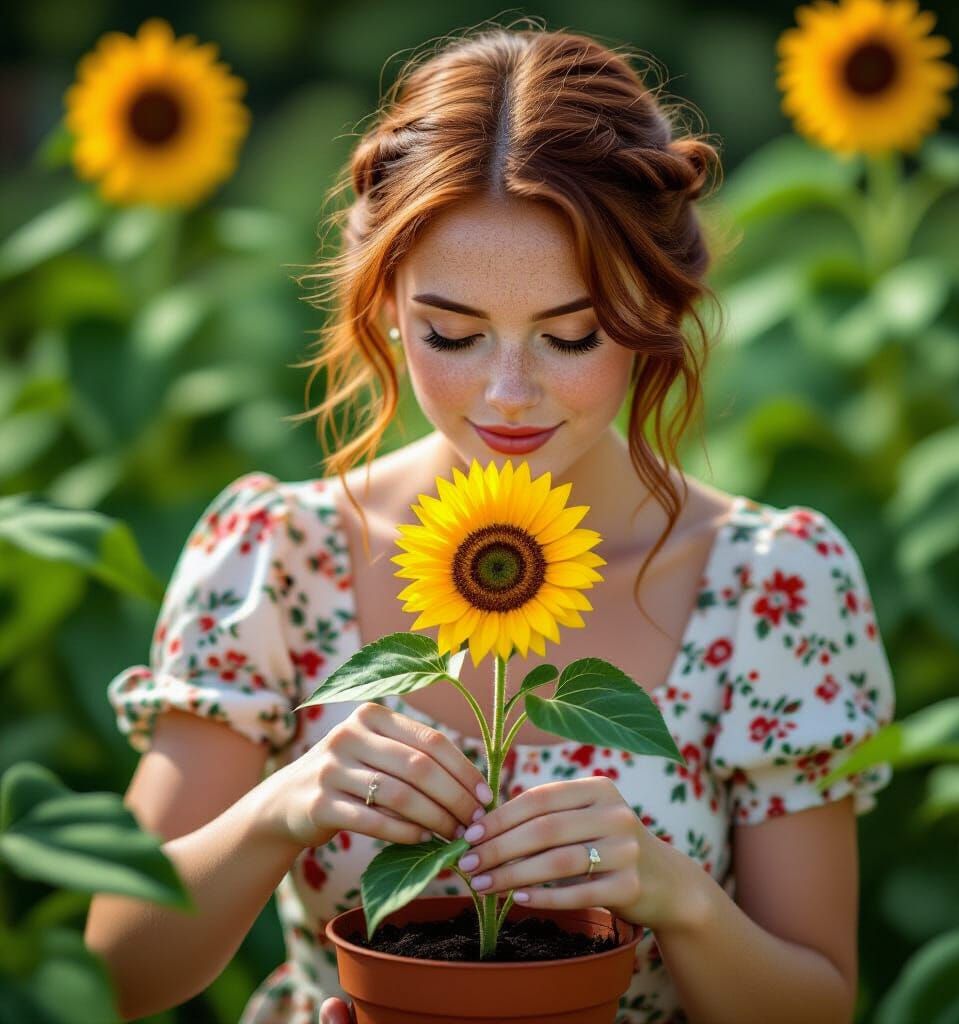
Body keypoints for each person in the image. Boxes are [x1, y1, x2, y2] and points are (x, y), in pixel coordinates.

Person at [84, 21, 896, 1024]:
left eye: (570, 333)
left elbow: (816, 1004)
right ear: (384, 304)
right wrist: (279, 808)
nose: (508, 393)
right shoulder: (279, 559)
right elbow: (115, 973)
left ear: (655, 305)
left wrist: (674, 896)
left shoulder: (771, 586)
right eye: (452, 333)